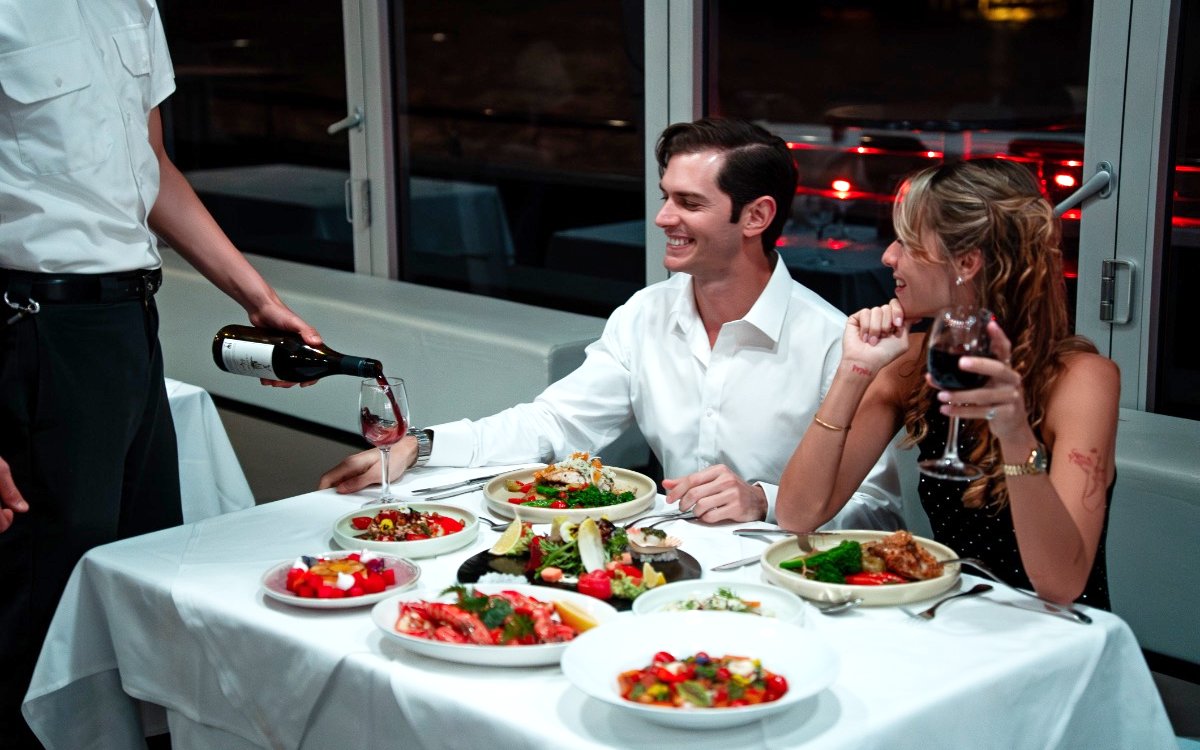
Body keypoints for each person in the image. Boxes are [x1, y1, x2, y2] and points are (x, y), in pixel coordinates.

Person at [0, 1, 322, 746]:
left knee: (138, 580)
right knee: (38, 605)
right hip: (31, 325)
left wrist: (259, 298)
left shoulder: (132, 2)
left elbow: (153, 171)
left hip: (127, 321)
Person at [320, 117, 901, 529]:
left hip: (787, 584)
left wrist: (763, 499)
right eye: (665, 196)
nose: (662, 217)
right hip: (663, 561)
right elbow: (554, 424)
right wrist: (421, 446)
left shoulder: (831, 340)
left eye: (689, 203)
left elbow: (879, 507)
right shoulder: (645, 314)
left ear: (757, 216)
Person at [775, 158, 1119, 607]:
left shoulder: (1082, 381)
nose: (888, 256)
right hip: (950, 620)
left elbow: (1061, 586)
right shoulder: (914, 364)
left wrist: (1015, 434)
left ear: (967, 261)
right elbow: (798, 514)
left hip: (1056, 639)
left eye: (908, 242)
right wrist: (853, 372)